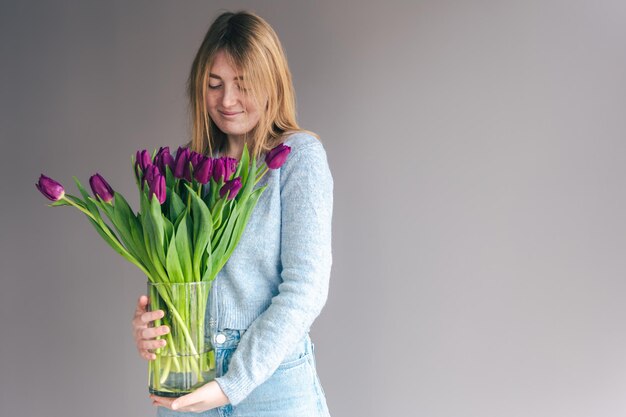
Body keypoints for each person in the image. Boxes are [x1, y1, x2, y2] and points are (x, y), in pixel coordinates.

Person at [130, 10, 333, 417]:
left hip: (272, 386)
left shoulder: (298, 159)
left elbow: (305, 289)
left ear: (272, 84)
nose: (227, 100)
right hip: (190, 380)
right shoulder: (188, 167)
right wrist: (151, 326)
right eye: (215, 84)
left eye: (243, 85)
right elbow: (176, 280)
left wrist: (232, 384)